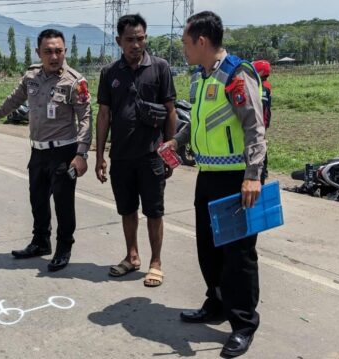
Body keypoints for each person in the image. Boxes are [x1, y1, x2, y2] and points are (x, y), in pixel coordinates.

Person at [167, 11, 266, 357]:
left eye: (185, 42)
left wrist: (253, 176)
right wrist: (178, 142)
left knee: (237, 254)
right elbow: (198, 119)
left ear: (202, 41)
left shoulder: (235, 74)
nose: (183, 48)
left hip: (237, 178)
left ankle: (242, 324)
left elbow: (255, 127)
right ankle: (217, 303)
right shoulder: (201, 76)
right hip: (208, 175)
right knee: (208, 247)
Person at [0, 29, 92, 272]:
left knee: (63, 205)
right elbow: (14, 98)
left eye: (59, 51)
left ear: (65, 51)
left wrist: (82, 153)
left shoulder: (75, 81)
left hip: (64, 152)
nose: (54, 56)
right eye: (49, 51)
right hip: (38, 152)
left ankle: (64, 248)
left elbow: (85, 118)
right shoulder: (31, 76)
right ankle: (41, 242)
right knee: (38, 200)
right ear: (38, 53)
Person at [95, 14, 177, 287]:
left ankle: (156, 262)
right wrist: (99, 157)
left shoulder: (160, 68)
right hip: (120, 156)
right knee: (127, 210)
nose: (136, 44)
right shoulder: (109, 73)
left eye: (140, 39)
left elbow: (170, 112)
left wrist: (169, 151)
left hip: (151, 156)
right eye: (130, 39)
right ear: (119, 41)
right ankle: (132, 257)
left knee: (154, 212)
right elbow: (104, 114)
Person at [252, 60, 272, 183]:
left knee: (258, 151)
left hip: (258, 124)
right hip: (263, 123)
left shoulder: (262, 87)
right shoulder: (266, 85)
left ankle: (261, 176)